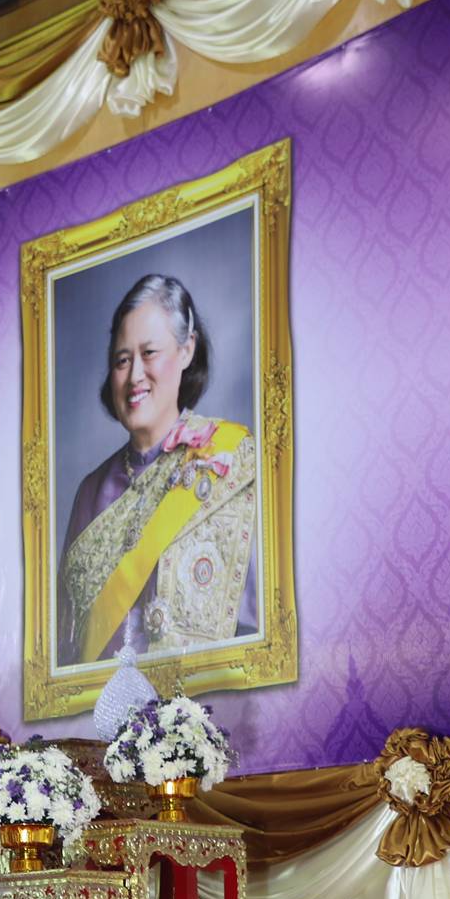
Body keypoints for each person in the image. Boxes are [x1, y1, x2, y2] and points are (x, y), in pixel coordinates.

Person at [59, 273, 261, 666]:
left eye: (149, 353)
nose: (134, 375)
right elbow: (66, 646)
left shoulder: (228, 459)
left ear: (187, 350)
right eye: (122, 360)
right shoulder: (89, 491)